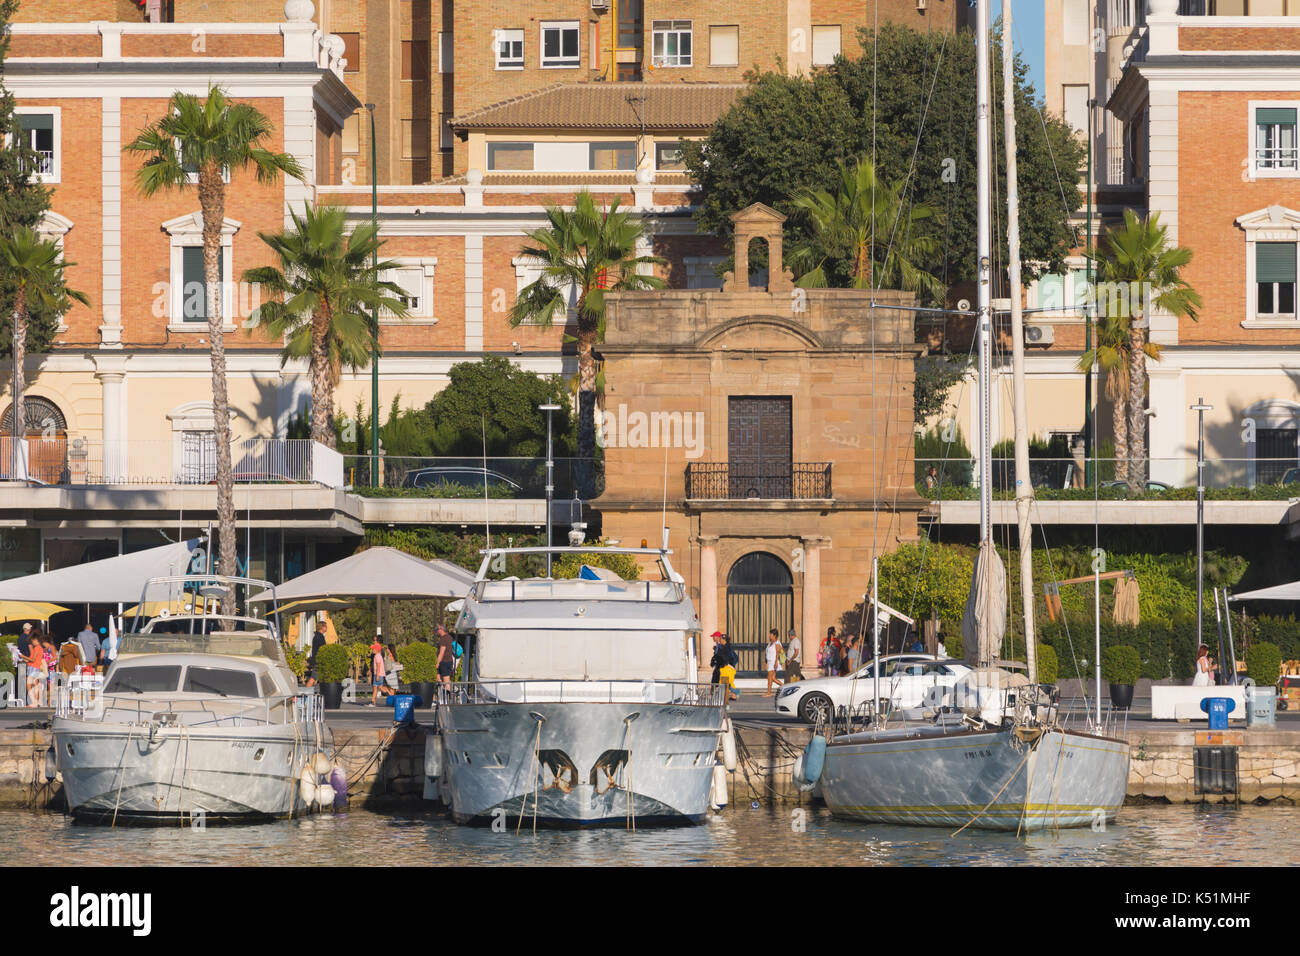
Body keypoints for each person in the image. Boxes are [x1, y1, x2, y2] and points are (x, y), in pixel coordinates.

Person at [716, 635, 739, 701]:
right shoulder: (728, 647)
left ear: (724, 640)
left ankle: (727, 697)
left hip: (727, 667)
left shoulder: (724, 648)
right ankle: (734, 695)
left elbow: (724, 658)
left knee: (725, 682)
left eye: (720, 639)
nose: (719, 640)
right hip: (729, 667)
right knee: (729, 682)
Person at [369, 641, 392, 705]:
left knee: (376, 688)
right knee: (380, 687)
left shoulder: (377, 656)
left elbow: (378, 666)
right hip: (379, 674)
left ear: (377, 650)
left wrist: (377, 676)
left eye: (373, 649)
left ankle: (373, 702)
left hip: (378, 674)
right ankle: (391, 696)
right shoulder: (378, 655)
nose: (372, 650)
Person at [305, 622, 327, 687]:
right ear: (322, 627)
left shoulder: (317, 636)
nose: (326, 628)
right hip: (319, 661)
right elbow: (322, 649)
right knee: (313, 678)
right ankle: (306, 693)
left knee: (321, 678)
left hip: (317, 660)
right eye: (325, 626)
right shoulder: (320, 637)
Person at [764, 628, 784, 697]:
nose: (769, 635)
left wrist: (776, 663)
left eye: (771, 634)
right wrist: (766, 662)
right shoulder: (770, 643)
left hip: (773, 662)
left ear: (774, 635)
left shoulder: (777, 643)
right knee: (773, 678)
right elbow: (767, 652)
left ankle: (768, 693)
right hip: (769, 662)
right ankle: (784, 686)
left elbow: (777, 654)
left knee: (770, 678)